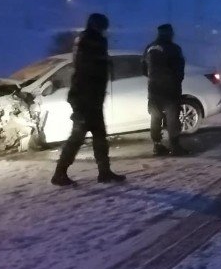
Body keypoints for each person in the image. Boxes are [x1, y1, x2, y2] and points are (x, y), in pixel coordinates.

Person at [51, 13, 126, 186]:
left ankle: (104, 172)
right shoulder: (91, 40)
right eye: (103, 27)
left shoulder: (87, 39)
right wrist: (104, 63)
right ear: (97, 26)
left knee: (100, 136)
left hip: (91, 97)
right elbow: (89, 69)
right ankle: (60, 173)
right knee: (77, 137)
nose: (105, 31)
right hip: (86, 98)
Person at [143, 22, 187, 156]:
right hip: (170, 89)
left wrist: (153, 78)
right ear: (169, 33)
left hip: (154, 89)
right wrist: (176, 80)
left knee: (155, 116)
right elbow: (179, 69)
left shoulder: (149, 48)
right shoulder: (173, 48)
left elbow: (144, 69)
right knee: (173, 117)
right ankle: (175, 146)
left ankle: (157, 145)